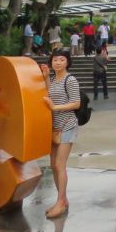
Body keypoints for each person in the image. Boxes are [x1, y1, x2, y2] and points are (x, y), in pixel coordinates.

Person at [39, 49, 81, 218]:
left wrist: (55, 107)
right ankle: (62, 199)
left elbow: (76, 103)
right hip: (54, 126)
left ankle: (61, 202)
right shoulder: (55, 79)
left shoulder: (70, 80)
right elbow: (49, 94)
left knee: (59, 165)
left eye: (61, 60)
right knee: (53, 165)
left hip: (67, 125)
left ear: (67, 62)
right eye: (55, 59)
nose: (57, 62)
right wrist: (45, 77)